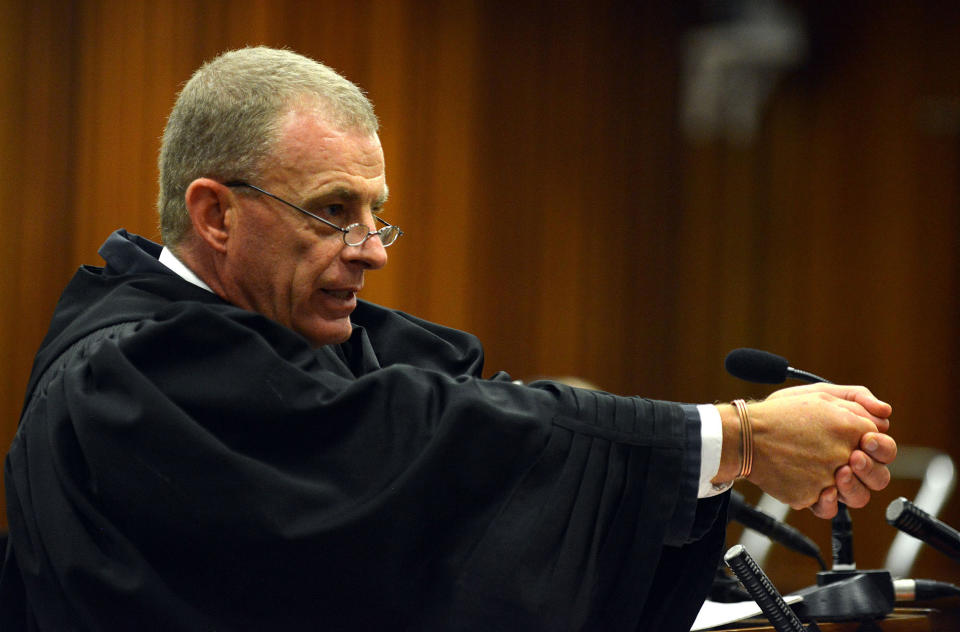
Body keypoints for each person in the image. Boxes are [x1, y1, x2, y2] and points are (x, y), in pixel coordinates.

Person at [0, 47, 895, 631]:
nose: (368, 251)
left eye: (377, 217)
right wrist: (737, 438)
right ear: (216, 214)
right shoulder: (131, 369)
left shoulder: (317, 341)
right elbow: (418, 447)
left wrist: (738, 453)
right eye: (332, 212)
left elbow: (487, 420)